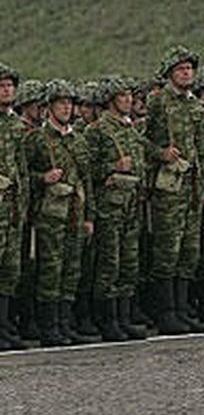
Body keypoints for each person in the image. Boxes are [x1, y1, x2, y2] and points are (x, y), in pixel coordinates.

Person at [144, 45, 204, 335]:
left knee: (189, 251)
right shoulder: (157, 103)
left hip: (192, 186)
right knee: (167, 251)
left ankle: (182, 310)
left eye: (189, 69)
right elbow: (139, 139)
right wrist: (161, 153)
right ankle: (166, 313)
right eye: (181, 69)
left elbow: (201, 148)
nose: (187, 73)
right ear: (171, 73)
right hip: (168, 188)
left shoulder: (195, 106)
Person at [25, 80, 94, 346]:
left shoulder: (77, 140)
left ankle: (65, 324)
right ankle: (49, 327)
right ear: (49, 107)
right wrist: (43, 177)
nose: (66, 108)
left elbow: (85, 180)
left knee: (72, 270)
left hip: (75, 215)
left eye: (69, 103)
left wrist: (89, 217)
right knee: (50, 271)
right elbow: (25, 175)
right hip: (50, 216)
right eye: (61, 103)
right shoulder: (37, 139)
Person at [82, 77, 149, 341]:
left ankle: (123, 317)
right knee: (110, 262)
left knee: (129, 263)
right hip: (109, 207)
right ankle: (106, 320)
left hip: (131, 205)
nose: (129, 101)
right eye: (123, 96)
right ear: (111, 100)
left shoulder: (130, 130)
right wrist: (112, 167)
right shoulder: (97, 131)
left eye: (130, 96)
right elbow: (88, 171)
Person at [0, 63, 30, 350]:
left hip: (12, 210)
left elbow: (22, 168)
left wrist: (25, 204)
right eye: (2, 86)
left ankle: (5, 327)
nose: (7, 90)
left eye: (10, 85)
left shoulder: (16, 126)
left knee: (9, 270)